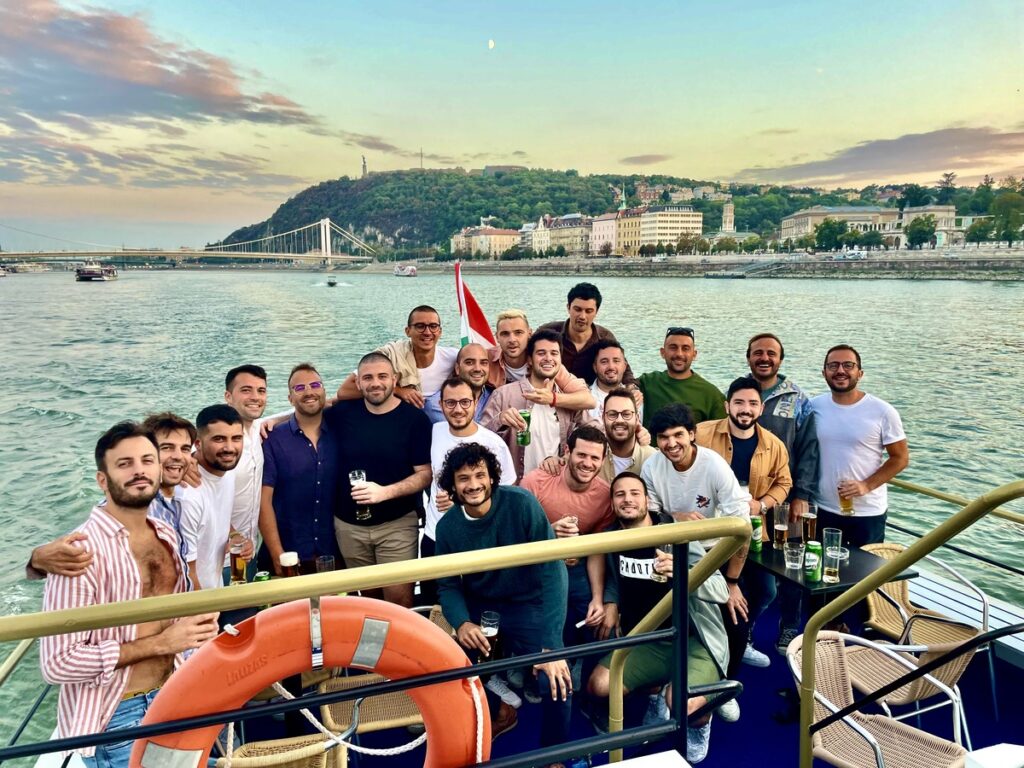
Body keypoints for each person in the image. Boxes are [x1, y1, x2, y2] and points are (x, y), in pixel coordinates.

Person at [40, 421, 219, 768]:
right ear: (102, 480)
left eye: (147, 461)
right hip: (120, 714)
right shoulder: (80, 552)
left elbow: (174, 612)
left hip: (177, 692)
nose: (139, 471)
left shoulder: (165, 532)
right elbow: (57, 663)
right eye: (125, 464)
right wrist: (162, 644)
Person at [434, 443, 572, 752]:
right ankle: (499, 713)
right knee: (463, 665)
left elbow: (553, 569)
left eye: (480, 475)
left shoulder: (522, 504)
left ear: (493, 477)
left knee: (555, 676)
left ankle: (557, 752)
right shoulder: (447, 528)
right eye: (463, 478)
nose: (473, 485)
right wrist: (462, 623)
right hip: (483, 608)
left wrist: (551, 644)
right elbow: (447, 584)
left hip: (528, 603)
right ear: (452, 486)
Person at [586, 472, 729, 764]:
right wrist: (609, 601)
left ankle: (704, 716)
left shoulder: (676, 535)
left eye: (635, 493)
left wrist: (683, 575)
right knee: (599, 685)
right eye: (620, 494)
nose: (628, 499)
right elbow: (616, 573)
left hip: (693, 640)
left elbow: (721, 590)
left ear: (647, 501)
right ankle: (658, 691)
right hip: (648, 640)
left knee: (684, 706)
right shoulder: (616, 536)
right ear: (613, 504)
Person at [640, 403, 750, 720]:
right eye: (663, 437)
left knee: (737, 615)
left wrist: (731, 582)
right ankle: (660, 680)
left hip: (715, 551)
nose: (671, 444)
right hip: (674, 548)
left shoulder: (713, 466)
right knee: (664, 610)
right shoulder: (653, 467)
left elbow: (740, 528)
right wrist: (678, 518)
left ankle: (723, 682)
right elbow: (653, 515)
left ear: (692, 435)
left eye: (678, 435)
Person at [27, 412, 197, 579]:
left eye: (185, 449)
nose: (177, 456)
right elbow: (87, 536)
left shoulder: (175, 501)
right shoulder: (136, 503)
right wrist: (37, 559)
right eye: (166, 448)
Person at [696, 376, 792, 668]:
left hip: (750, 529)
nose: (745, 409)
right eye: (739, 402)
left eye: (752, 403)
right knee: (709, 588)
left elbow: (784, 483)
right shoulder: (702, 434)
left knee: (765, 590)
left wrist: (761, 504)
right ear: (727, 405)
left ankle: (744, 637)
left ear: (761, 408)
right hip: (707, 527)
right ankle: (705, 644)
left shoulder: (773, 445)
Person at [326, 352, 432, 607]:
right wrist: (270, 424)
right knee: (369, 599)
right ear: (358, 382)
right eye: (368, 377)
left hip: (396, 525)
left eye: (383, 376)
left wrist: (385, 492)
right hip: (348, 527)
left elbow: (425, 474)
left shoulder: (414, 420)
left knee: (398, 601)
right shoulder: (341, 414)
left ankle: (401, 647)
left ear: (394, 379)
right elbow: (306, 418)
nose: (376, 383)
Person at [520, 425, 613, 688]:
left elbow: (597, 547)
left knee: (604, 622)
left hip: (577, 569)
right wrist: (549, 534)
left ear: (603, 460)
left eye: (595, 458)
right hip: (533, 570)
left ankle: (591, 682)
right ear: (566, 452)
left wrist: (598, 598)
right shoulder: (535, 483)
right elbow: (514, 539)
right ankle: (530, 663)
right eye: (581, 455)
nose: (587, 463)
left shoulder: (604, 495)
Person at [745, 333, 820, 654]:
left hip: (788, 499)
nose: (764, 358)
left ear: (780, 359)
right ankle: (744, 627)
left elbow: (809, 450)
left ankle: (789, 625)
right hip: (747, 500)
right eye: (758, 353)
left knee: (792, 567)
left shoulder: (798, 400)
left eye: (771, 353)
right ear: (748, 357)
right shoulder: (739, 394)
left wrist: (802, 494)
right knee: (747, 564)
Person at [421, 376, 516, 605]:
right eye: (450, 403)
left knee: (477, 607)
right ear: (441, 405)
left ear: (475, 402)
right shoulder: (433, 433)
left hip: (477, 539)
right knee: (435, 609)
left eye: (465, 402)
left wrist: (463, 505)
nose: (458, 409)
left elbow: (506, 499)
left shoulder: (493, 443)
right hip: (436, 536)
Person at [811, 344, 909, 547]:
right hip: (822, 509)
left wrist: (866, 485)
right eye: (833, 365)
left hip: (866, 514)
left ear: (860, 373)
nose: (840, 371)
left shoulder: (882, 411)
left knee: (864, 577)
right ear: (824, 373)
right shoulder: (814, 406)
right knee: (820, 574)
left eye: (848, 365)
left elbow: (900, 458)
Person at [259, 363, 342, 575]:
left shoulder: (342, 431)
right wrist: (278, 552)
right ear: (290, 399)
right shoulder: (273, 439)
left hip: (336, 552)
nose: (309, 392)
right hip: (290, 553)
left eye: (315, 385)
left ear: (324, 391)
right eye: (300, 388)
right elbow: (264, 501)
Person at [481, 329, 593, 480]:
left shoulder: (570, 400)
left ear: (561, 360)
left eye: (554, 353)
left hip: (555, 486)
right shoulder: (503, 395)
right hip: (516, 487)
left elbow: (595, 434)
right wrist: (500, 420)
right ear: (529, 360)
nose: (548, 358)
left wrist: (568, 455)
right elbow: (479, 439)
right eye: (541, 353)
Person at [179, 404, 249, 590]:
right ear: (198, 443)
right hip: (196, 603)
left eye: (236, 438)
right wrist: (204, 615)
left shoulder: (226, 470)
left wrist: (234, 535)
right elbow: (187, 572)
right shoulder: (188, 493)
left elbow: (217, 515)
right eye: (219, 439)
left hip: (216, 591)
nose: (229, 448)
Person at [335, 305, 459, 408]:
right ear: (408, 331)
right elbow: (345, 391)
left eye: (433, 326)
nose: (427, 332)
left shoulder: (453, 357)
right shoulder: (390, 356)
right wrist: (399, 391)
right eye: (420, 326)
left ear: (440, 331)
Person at [488, 309, 594, 411]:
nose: (512, 339)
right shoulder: (485, 359)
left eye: (518, 333)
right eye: (505, 334)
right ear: (497, 337)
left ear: (529, 334)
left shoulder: (545, 364)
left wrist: (553, 398)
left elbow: (589, 400)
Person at [538, 282, 635, 385]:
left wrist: (632, 387)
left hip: (589, 396)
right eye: (577, 309)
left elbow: (623, 367)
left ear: (596, 312)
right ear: (568, 307)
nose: (582, 316)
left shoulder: (604, 337)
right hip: (551, 391)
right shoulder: (547, 332)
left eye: (589, 311)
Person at [223, 364, 270, 563]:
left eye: (261, 391)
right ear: (228, 397)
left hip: (249, 553)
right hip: (222, 557)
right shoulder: (220, 443)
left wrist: (331, 402)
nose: (255, 397)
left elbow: (291, 414)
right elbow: (204, 501)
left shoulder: (255, 429)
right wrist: (234, 535)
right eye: (246, 390)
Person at [636, 327, 726, 430]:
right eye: (673, 347)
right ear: (663, 352)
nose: (679, 354)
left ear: (694, 354)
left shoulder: (711, 394)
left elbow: (722, 434)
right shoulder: (647, 382)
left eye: (685, 348)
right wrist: (632, 388)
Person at [424, 342, 493, 424]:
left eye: (483, 363)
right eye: (469, 362)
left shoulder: (495, 398)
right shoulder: (435, 405)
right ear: (457, 368)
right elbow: (463, 433)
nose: (477, 369)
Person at [598, 388, 656, 483]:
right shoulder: (591, 456)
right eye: (613, 414)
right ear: (603, 418)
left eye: (626, 414)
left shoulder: (652, 459)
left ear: (637, 419)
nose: (619, 420)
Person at [587, 339, 643, 424]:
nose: (611, 367)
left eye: (616, 361)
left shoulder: (636, 397)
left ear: (624, 366)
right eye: (604, 362)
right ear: (595, 367)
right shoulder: (585, 399)